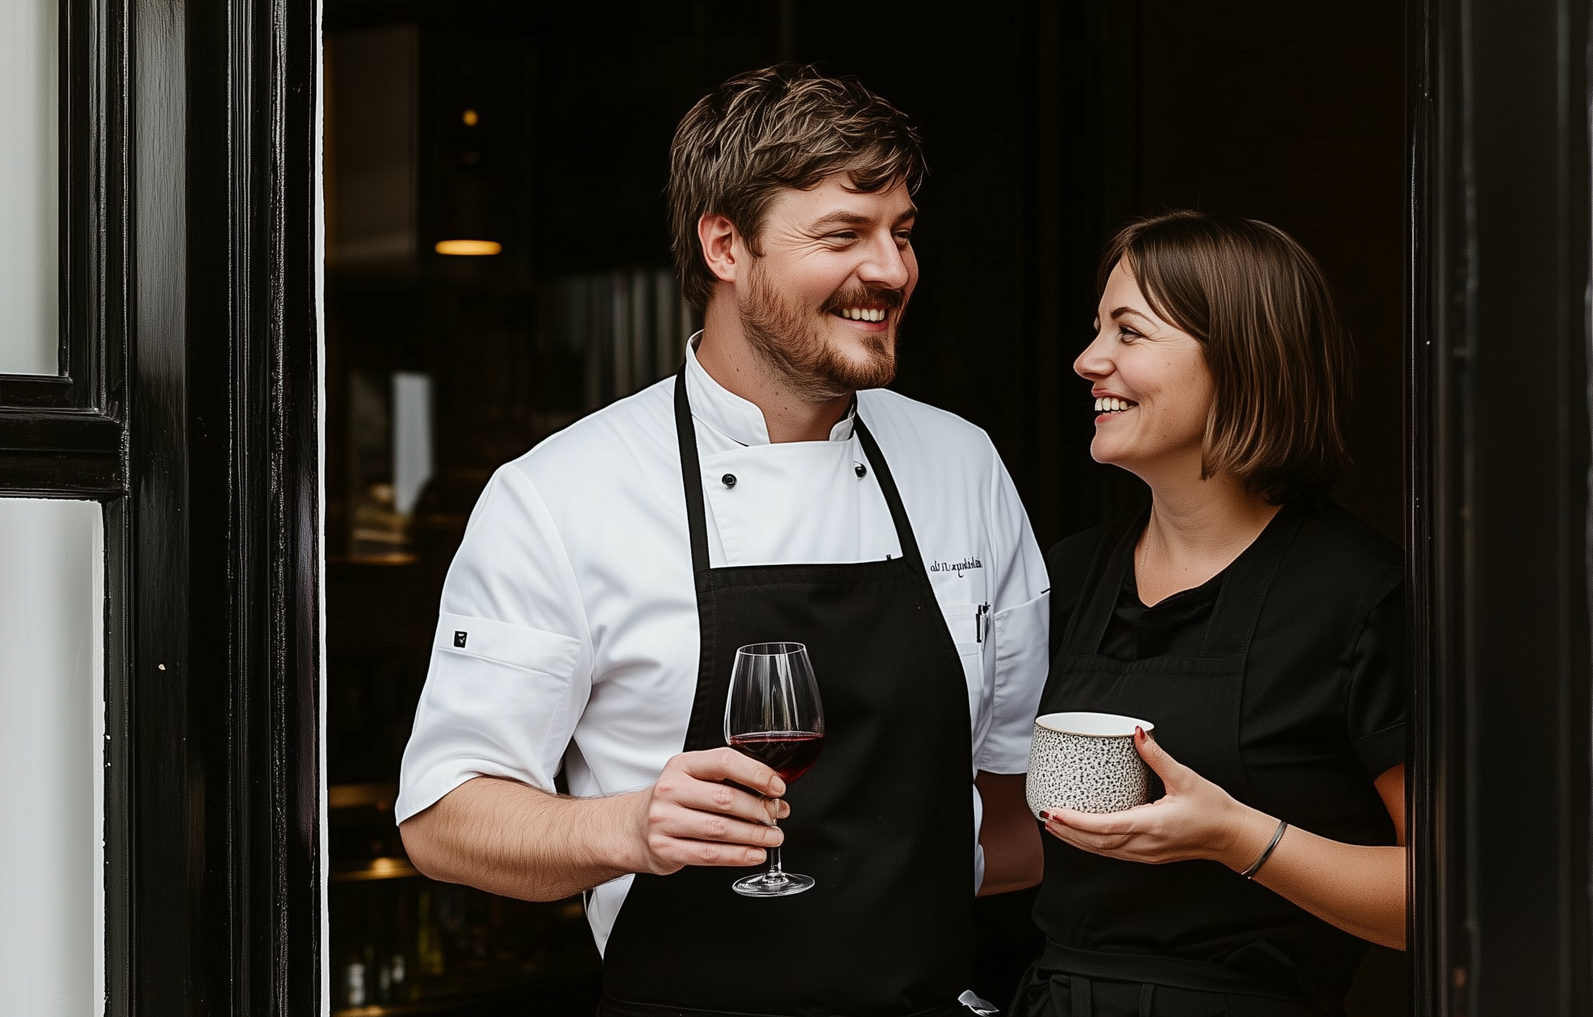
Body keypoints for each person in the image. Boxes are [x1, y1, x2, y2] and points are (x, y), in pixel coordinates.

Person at [395, 66, 1049, 1017]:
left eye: (901, 233)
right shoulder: (560, 495)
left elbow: (1014, 798)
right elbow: (445, 821)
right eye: (843, 234)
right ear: (724, 244)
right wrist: (629, 830)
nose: (893, 270)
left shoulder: (963, 465)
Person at [1016, 212, 1406, 1017]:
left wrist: (1235, 838)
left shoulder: (1357, 595)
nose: (1089, 361)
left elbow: (1449, 894)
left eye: (1130, 332)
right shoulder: (1071, 576)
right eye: (1097, 330)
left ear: (1241, 361)